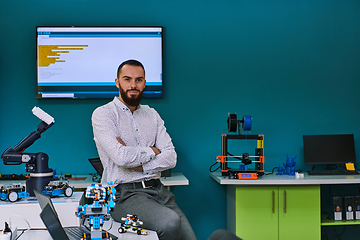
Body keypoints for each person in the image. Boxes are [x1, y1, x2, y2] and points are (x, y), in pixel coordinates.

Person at [91, 59, 197, 240]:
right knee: (170, 223)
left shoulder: (152, 114)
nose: (133, 85)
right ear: (117, 82)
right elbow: (121, 158)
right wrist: (152, 150)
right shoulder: (103, 114)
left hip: (159, 192)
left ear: (144, 83)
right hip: (124, 195)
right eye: (127, 79)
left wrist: (138, 164)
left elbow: (171, 157)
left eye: (139, 80)